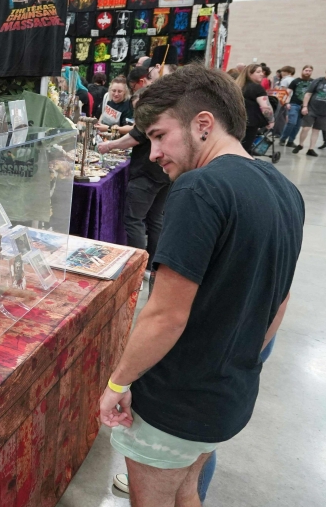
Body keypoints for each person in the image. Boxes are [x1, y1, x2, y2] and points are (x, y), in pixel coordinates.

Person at [99, 64, 303, 507]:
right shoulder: (285, 189)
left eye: (158, 135)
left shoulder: (199, 188)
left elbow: (166, 315)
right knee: (188, 490)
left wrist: (117, 384)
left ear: (203, 124)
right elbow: (280, 298)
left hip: (175, 401)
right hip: (228, 396)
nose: (152, 152)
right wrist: (239, 359)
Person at [98, 66, 169, 273]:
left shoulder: (150, 117)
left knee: (134, 219)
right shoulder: (164, 114)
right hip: (162, 174)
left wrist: (109, 145)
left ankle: (139, 267)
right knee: (155, 220)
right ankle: (151, 265)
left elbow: (133, 137)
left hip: (147, 174)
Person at [293, 64, 326, 156]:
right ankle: (301, 144)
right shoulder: (318, 81)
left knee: (316, 130)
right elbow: (308, 94)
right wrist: (305, 106)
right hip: (312, 109)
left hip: (325, 111)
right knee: (306, 128)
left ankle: (311, 149)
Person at [235, 63, 274, 154]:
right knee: (244, 150)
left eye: (262, 72)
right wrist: (271, 120)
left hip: (236, 121)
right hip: (250, 123)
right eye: (258, 72)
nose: (262, 74)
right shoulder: (257, 88)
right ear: (250, 73)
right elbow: (265, 107)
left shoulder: (238, 86)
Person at [280, 65, 312, 147]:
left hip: (305, 106)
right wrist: (287, 103)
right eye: (306, 70)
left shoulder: (313, 82)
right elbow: (288, 92)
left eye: (309, 71)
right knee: (291, 122)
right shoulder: (296, 81)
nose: (307, 72)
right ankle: (283, 138)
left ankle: (291, 141)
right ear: (302, 71)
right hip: (294, 104)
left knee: (298, 125)